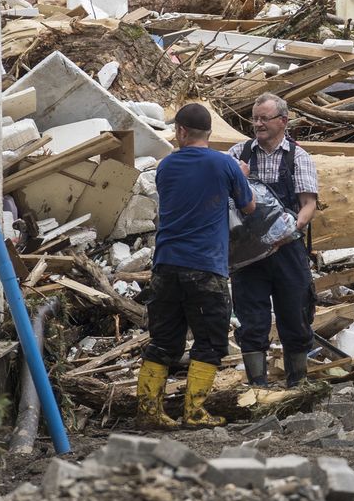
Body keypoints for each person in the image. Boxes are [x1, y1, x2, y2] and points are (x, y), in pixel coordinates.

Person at [135, 103, 255, 428]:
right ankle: (195, 411)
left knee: (163, 341)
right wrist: (240, 177)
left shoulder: (165, 166)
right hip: (206, 268)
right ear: (209, 133)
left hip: (165, 265)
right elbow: (249, 206)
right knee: (211, 341)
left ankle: (148, 411)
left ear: (182, 132)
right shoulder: (225, 165)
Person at [231, 93, 319, 388]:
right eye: (254, 118)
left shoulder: (299, 157)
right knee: (251, 318)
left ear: (283, 121)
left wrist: (290, 229)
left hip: (287, 250)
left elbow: (308, 205)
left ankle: (298, 384)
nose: (257, 124)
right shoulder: (239, 154)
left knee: (295, 313)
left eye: (263, 119)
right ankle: (258, 386)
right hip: (247, 254)